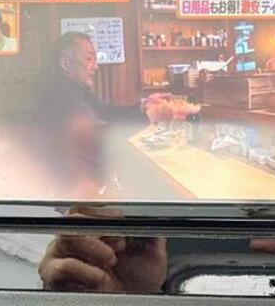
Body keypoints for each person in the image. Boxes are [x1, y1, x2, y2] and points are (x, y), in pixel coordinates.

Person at [38, 31, 198, 197]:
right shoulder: (61, 94)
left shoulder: (76, 88)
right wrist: (150, 116)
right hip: (73, 192)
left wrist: (144, 106)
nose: (95, 66)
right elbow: (95, 136)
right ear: (66, 64)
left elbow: (108, 113)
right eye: (88, 59)